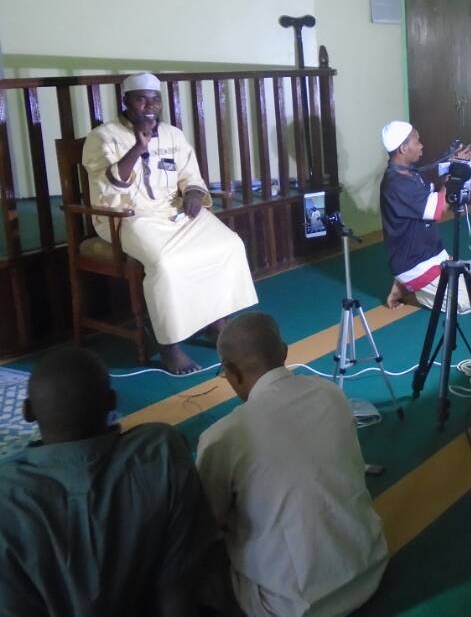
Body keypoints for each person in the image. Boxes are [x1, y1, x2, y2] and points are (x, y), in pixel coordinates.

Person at [0, 347, 216, 616]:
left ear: (27, 411)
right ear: (112, 402)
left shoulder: (7, 495)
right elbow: (179, 584)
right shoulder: (160, 450)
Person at [196, 314, 388, 615]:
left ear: (231, 372)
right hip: (370, 567)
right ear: (284, 352)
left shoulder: (223, 436)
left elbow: (209, 520)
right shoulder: (331, 393)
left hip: (291, 605)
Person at [81, 71, 258, 374]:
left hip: (173, 211)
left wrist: (193, 192)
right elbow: (109, 188)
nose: (149, 106)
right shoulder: (102, 137)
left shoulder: (173, 134)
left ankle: (217, 320)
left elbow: (190, 174)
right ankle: (169, 344)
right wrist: (138, 147)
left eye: (155, 100)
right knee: (165, 263)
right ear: (126, 102)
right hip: (127, 216)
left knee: (228, 244)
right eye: (141, 99)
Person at [380, 121, 471, 313]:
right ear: (403, 148)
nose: (421, 145)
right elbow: (436, 210)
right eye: (417, 141)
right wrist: (455, 171)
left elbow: (437, 196)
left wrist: (460, 166)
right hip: (413, 263)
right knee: (467, 302)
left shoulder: (410, 173)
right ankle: (411, 289)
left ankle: (406, 286)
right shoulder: (396, 184)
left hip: (432, 253)